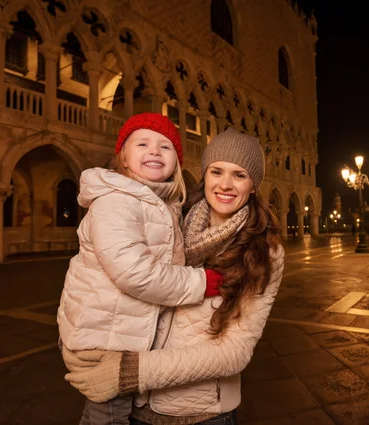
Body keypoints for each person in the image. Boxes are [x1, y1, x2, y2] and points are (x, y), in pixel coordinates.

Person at [63, 127, 285, 425]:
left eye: (240, 175)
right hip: (137, 407)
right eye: (217, 171)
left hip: (201, 414)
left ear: (253, 185)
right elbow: (115, 280)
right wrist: (85, 341)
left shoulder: (263, 252)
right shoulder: (173, 222)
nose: (226, 185)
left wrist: (130, 371)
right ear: (204, 175)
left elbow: (235, 352)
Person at [57, 113, 224, 425]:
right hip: (106, 340)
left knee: (108, 415)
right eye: (143, 143)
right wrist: (203, 282)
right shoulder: (116, 202)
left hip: (121, 333)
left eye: (166, 146)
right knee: (109, 418)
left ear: (177, 161)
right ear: (123, 157)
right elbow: (135, 273)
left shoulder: (158, 204)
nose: (154, 151)